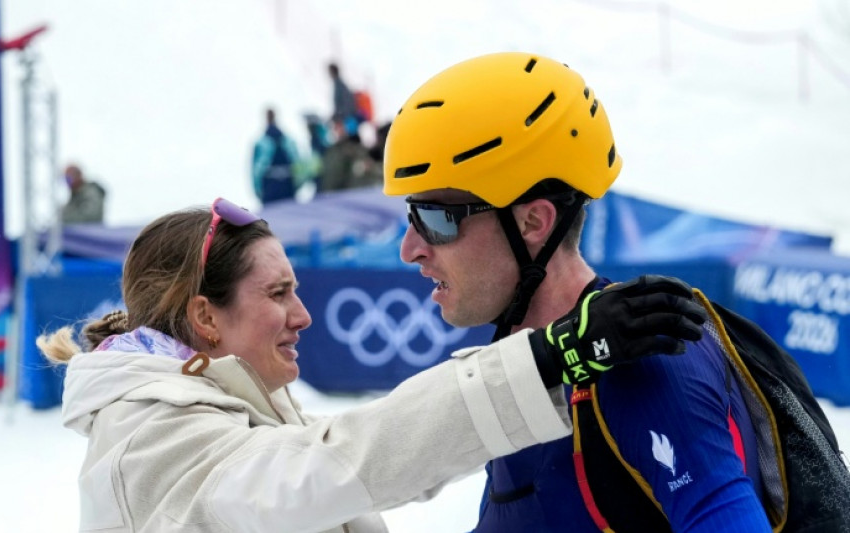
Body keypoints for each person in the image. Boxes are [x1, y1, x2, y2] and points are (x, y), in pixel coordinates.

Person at [37, 195, 705, 532]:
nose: (303, 316)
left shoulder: (216, 402)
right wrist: (544, 358)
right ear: (206, 317)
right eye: (278, 294)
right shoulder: (152, 438)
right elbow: (339, 463)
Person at [382, 52, 784, 531]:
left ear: (534, 221)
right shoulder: (522, 359)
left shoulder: (646, 361)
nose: (410, 250)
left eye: (435, 220)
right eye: (412, 216)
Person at [251, 108, 301, 205]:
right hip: (283, 186)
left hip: (275, 187)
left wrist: (258, 189)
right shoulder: (285, 140)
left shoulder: (263, 142)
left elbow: (255, 170)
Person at [327, 61, 358, 134]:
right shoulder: (339, 84)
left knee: (351, 139)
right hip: (347, 118)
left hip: (347, 119)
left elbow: (345, 103)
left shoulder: (339, 85)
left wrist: (339, 116)